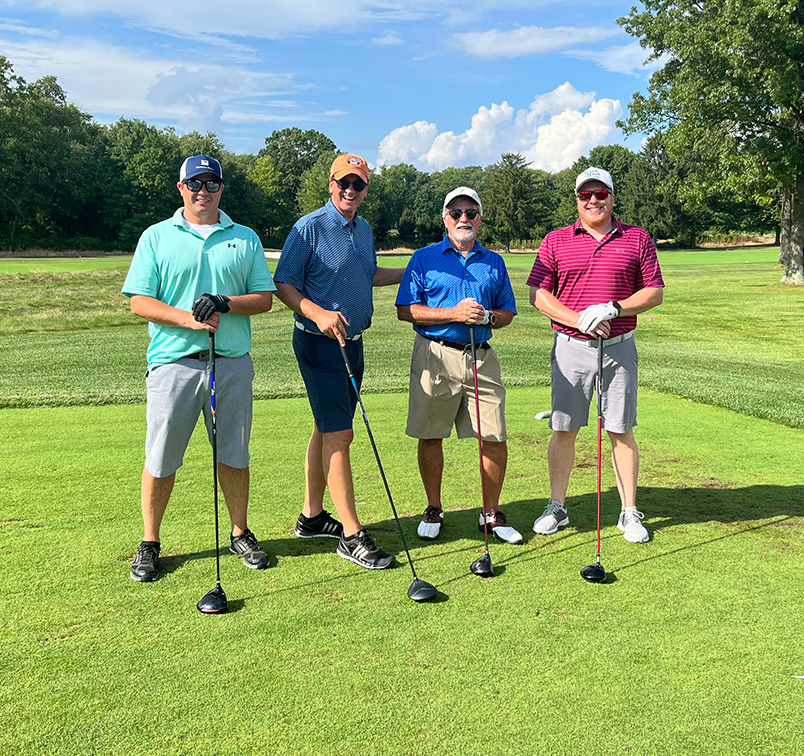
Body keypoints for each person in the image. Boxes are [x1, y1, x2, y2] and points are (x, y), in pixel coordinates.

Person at [123, 155, 275, 582]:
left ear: (222, 188)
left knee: (234, 453)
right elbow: (139, 301)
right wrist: (187, 318)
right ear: (181, 188)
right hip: (173, 363)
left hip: (230, 363)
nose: (202, 191)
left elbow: (263, 298)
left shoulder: (244, 238)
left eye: (211, 183)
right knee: (162, 456)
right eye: (194, 183)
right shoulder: (156, 237)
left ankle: (240, 532)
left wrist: (225, 303)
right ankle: (150, 541)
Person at [273, 153, 406, 570]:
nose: (350, 190)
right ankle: (351, 533)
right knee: (340, 436)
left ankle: (312, 517)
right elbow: (284, 282)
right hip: (319, 342)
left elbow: (365, 274)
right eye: (344, 183)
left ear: (366, 189)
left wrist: (411, 268)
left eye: (358, 184)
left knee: (326, 427)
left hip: (354, 344)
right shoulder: (309, 227)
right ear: (330, 184)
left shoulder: (363, 229)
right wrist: (317, 312)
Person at [526, 166, 664, 543]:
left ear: (612, 198)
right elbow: (538, 294)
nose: (593, 201)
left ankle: (628, 511)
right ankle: (558, 506)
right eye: (585, 194)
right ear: (576, 199)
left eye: (600, 194)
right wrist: (580, 319)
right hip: (571, 348)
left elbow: (654, 292)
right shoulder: (555, 240)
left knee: (620, 429)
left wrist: (614, 308)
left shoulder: (636, 239)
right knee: (564, 428)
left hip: (619, 349)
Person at [395, 187, 522, 544]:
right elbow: (406, 310)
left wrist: (488, 317)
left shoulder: (493, 262)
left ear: (480, 218)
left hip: (481, 355)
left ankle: (491, 513)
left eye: (470, 213)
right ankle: (434, 506)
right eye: (456, 213)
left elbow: (508, 312)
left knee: (494, 436)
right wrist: (453, 313)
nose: (463, 219)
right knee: (431, 434)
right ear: (445, 218)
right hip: (435, 354)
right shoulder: (424, 257)